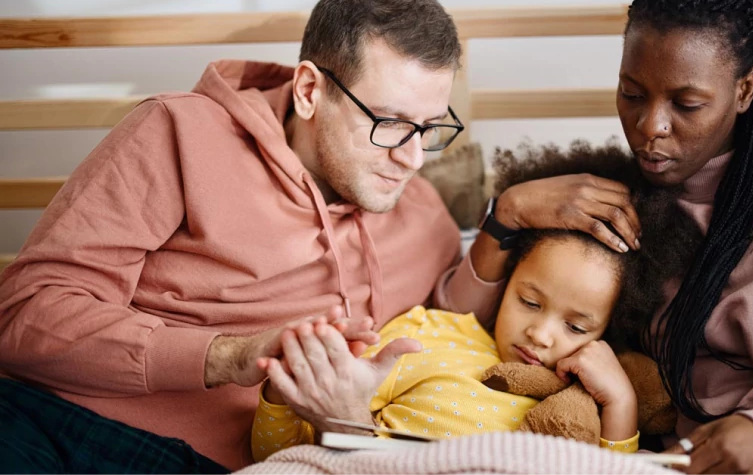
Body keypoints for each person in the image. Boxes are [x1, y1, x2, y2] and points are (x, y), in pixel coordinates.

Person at [0, 0, 485, 472]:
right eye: (389, 123)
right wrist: (230, 356)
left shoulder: (425, 215)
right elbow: (23, 318)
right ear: (309, 91)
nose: (413, 159)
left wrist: (510, 219)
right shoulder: (179, 133)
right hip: (58, 423)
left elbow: (471, 322)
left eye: (429, 127)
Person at [437, 0, 753, 474]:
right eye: (632, 94)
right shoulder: (605, 200)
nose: (649, 128)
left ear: (746, 90)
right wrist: (506, 213)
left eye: (686, 103)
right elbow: (454, 331)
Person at [250, 142, 702, 462]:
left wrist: (620, 402)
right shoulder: (427, 335)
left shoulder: (590, 395)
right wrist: (284, 391)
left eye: (577, 328)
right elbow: (286, 455)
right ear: (508, 281)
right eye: (529, 301)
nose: (541, 335)